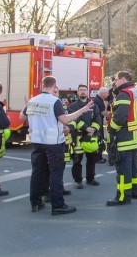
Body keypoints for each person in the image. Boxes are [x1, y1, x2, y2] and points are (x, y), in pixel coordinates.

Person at [20, 76, 93, 215]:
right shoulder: (55, 101)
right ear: (54, 86)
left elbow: (21, 118)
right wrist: (82, 111)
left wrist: (27, 105)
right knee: (56, 173)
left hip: (36, 141)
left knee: (37, 172)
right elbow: (64, 120)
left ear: (42, 85)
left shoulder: (33, 101)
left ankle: (35, 203)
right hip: (53, 142)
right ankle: (58, 205)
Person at [107, 71, 137, 206]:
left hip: (125, 137)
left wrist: (111, 130)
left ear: (123, 79)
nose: (115, 82)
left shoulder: (124, 94)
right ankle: (136, 191)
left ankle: (123, 196)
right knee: (134, 165)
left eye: (116, 79)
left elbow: (119, 117)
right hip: (136, 137)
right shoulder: (136, 91)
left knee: (123, 168)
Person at [68, 84, 102, 189]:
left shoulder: (94, 105)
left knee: (92, 159)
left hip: (91, 136)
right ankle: (78, 180)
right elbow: (74, 120)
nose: (83, 91)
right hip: (78, 137)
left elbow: (98, 119)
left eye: (84, 90)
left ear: (87, 92)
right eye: (81, 90)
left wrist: (93, 129)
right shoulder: (73, 106)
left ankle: (90, 178)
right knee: (77, 160)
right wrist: (86, 128)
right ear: (77, 92)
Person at [92, 86, 109, 163]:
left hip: (97, 121)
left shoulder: (98, 99)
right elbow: (102, 112)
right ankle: (98, 157)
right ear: (103, 93)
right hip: (98, 122)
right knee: (99, 139)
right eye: (107, 93)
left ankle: (98, 156)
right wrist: (111, 114)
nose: (108, 94)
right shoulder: (99, 100)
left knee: (99, 139)